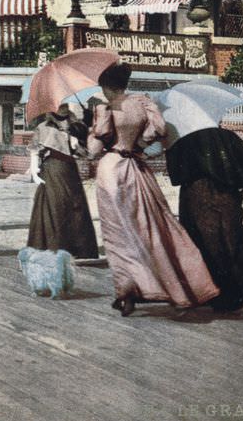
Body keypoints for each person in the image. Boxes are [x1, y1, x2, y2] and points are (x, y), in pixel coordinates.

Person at [88, 62, 219, 316]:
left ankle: (128, 290)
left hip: (112, 170)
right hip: (137, 168)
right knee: (153, 226)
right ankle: (173, 284)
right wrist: (137, 141)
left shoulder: (105, 108)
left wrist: (91, 132)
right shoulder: (143, 103)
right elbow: (156, 132)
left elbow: (94, 150)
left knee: (119, 234)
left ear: (106, 87)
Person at [166, 123, 243, 311]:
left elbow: (176, 175)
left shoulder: (183, 141)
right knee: (230, 238)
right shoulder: (226, 136)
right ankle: (236, 291)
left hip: (197, 197)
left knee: (204, 242)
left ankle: (216, 292)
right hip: (226, 197)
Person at [25, 103, 99, 260]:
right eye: (59, 106)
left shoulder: (75, 126)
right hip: (52, 170)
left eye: (64, 105)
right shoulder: (44, 127)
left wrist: (79, 138)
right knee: (55, 205)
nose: (63, 108)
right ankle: (54, 246)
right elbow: (35, 150)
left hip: (70, 169)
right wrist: (34, 169)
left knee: (75, 205)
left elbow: (86, 154)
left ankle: (77, 248)